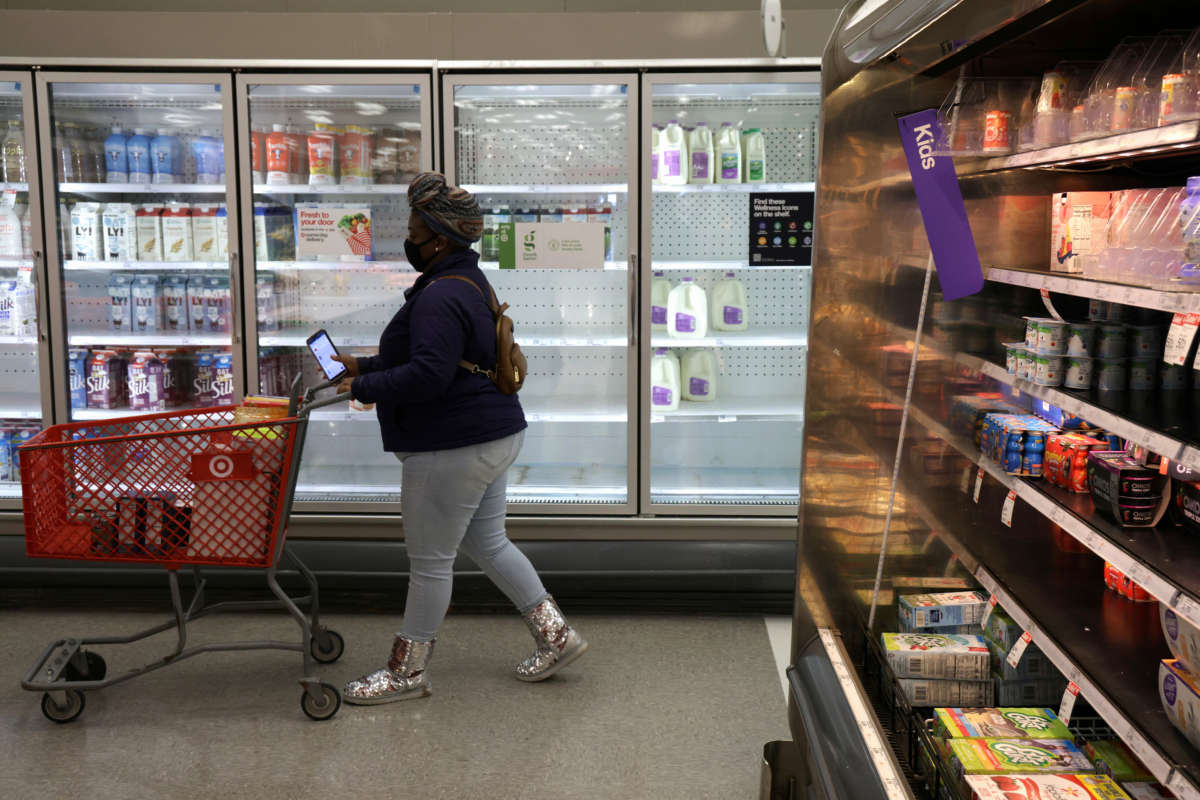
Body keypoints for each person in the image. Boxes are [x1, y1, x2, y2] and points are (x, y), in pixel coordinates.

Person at [335, 172, 587, 705]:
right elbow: (445, 360)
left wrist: (366, 384)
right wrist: (365, 365)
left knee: (429, 562)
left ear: (439, 239)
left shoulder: (437, 296)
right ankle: (556, 635)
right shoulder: (467, 281)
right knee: (487, 542)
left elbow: (428, 376)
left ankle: (407, 673)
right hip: (493, 433)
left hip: (451, 446)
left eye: (414, 231)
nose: (408, 240)